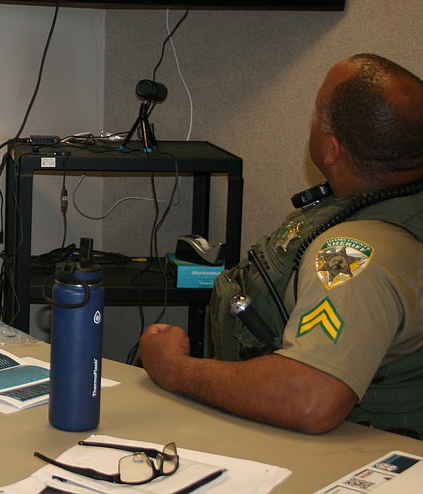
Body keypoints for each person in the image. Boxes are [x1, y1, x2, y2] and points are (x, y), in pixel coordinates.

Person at [138, 54, 423, 437]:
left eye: (317, 111)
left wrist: (175, 369)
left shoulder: (351, 255)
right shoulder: (396, 203)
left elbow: (311, 399)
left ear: (332, 150)